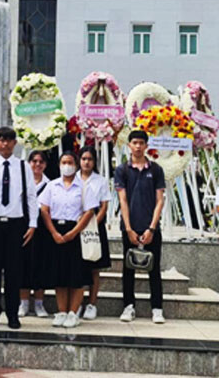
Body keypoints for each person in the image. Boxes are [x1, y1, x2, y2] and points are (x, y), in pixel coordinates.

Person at [0, 127, 36, 329]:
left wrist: (32, 224)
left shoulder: (23, 167)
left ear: (15, 143)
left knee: (14, 272)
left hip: (15, 224)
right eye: (1, 140)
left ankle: (13, 314)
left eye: (9, 140)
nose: (5, 144)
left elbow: (30, 196)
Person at [39, 151, 98, 329]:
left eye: (70, 162)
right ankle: (62, 311)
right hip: (56, 231)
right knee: (60, 275)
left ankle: (73, 312)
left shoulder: (84, 187)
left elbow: (89, 211)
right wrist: (53, 232)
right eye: (64, 162)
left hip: (76, 231)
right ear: (59, 165)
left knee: (76, 275)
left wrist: (74, 232)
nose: (67, 165)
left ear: (76, 164)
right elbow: (44, 210)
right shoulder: (52, 185)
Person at [115, 130, 166, 324]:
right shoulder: (122, 170)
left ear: (146, 145)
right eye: (134, 142)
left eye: (141, 143)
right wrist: (128, 228)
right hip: (130, 227)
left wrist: (151, 228)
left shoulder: (156, 170)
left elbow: (159, 200)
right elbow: (123, 200)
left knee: (154, 268)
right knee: (128, 268)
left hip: (151, 227)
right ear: (129, 145)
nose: (137, 146)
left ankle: (157, 308)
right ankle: (128, 306)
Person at [79, 146, 112, 321]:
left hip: (94, 228)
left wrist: (92, 224)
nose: (86, 162)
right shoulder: (72, 178)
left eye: (89, 159)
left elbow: (104, 205)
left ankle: (91, 304)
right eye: (83, 158)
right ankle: (76, 303)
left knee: (94, 267)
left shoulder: (100, 181)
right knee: (77, 267)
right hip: (75, 228)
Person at [21, 150, 49, 318]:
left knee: (41, 265)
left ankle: (39, 303)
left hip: (43, 229)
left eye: (41, 161)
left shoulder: (50, 184)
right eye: (34, 161)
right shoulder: (22, 181)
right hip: (24, 227)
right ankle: (23, 303)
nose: (37, 164)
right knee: (23, 265)